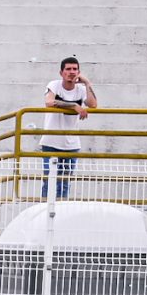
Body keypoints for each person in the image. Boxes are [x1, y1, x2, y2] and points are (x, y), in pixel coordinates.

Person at [39, 56, 95, 200]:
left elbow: (93, 104)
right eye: (68, 69)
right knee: (49, 181)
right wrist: (74, 106)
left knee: (64, 182)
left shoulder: (81, 89)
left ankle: (61, 211)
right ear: (61, 73)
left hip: (71, 145)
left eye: (75, 69)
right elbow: (49, 102)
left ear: (79, 72)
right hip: (51, 143)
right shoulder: (54, 85)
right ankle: (45, 210)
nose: (71, 72)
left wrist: (87, 83)